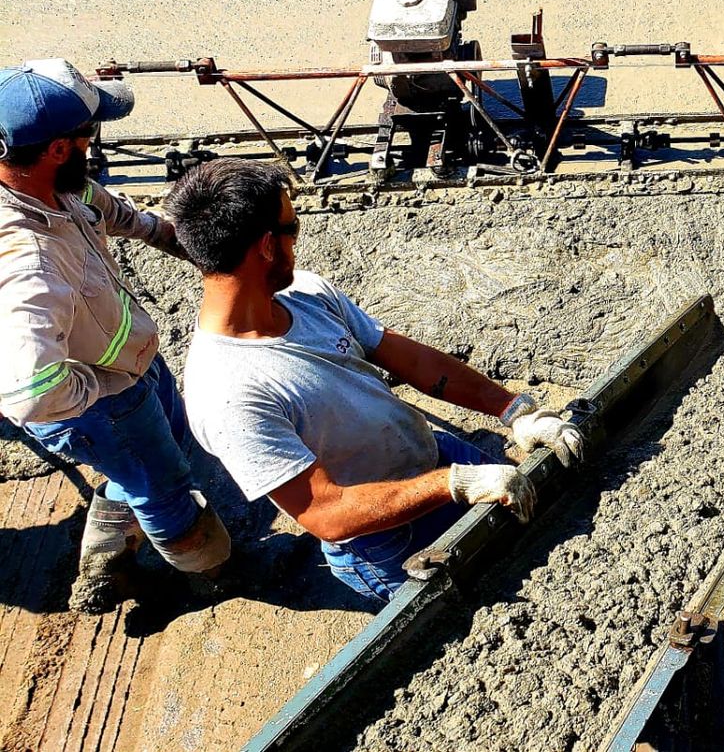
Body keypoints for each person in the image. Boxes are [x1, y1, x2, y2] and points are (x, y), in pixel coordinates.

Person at [162, 158, 584, 603]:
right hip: (386, 538)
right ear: (268, 246)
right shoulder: (226, 393)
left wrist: (513, 409)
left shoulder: (305, 293)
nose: (298, 241)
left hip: (435, 458)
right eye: (293, 228)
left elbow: (409, 359)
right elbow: (327, 512)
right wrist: (453, 485)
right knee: (491, 601)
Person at [0, 60, 230, 612]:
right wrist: (104, 390)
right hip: (104, 398)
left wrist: (206, 252)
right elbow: (30, 392)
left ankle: (107, 556)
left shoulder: (58, 189)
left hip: (128, 366)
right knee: (165, 487)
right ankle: (212, 573)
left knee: (164, 446)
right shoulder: (27, 259)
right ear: (59, 148)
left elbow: (116, 212)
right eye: (90, 133)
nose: (97, 141)